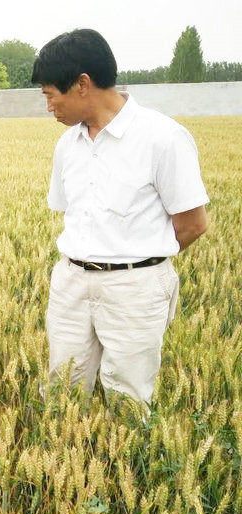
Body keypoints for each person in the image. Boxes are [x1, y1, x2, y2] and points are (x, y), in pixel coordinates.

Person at [31, 29, 209, 410]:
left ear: (82, 84)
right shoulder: (68, 145)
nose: (48, 107)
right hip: (71, 282)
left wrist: (139, 260)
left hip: (136, 287)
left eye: (50, 94)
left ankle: (122, 466)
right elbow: (72, 214)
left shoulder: (163, 137)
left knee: (127, 398)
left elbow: (193, 223)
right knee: (62, 391)